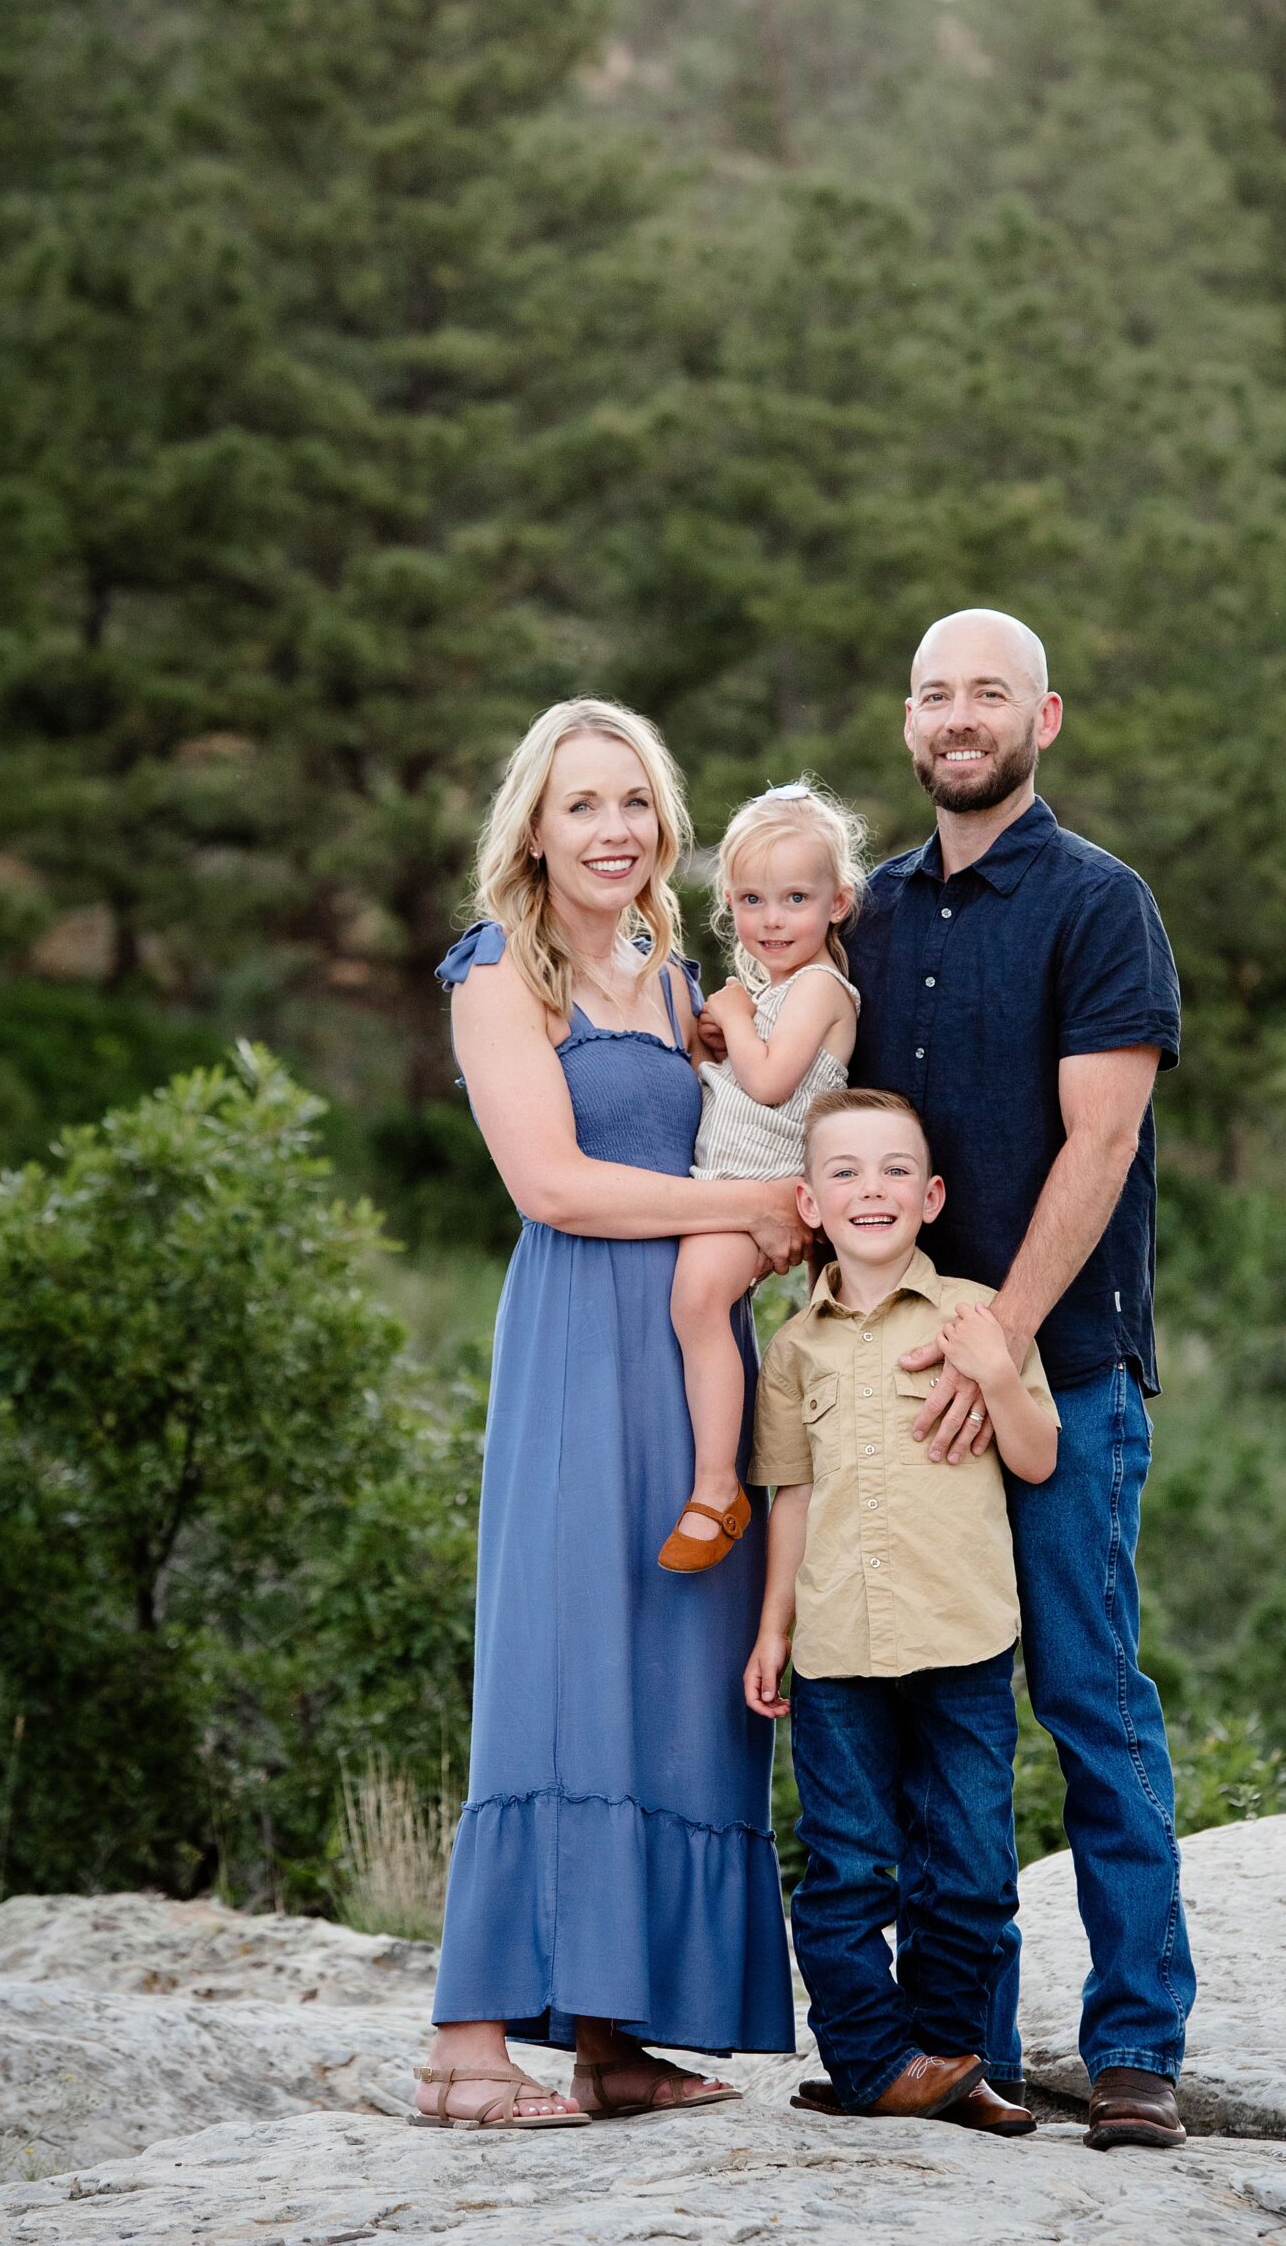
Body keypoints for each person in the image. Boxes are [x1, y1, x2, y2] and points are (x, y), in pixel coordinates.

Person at [412, 698, 800, 2134]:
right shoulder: (497, 970)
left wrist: (804, 1210)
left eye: (633, 802)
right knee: (565, 1665)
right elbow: (553, 1188)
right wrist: (745, 1207)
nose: (612, 829)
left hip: (700, 1355)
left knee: (678, 1674)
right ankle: (464, 2048)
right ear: (532, 823)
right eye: (582, 803)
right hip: (582, 1343)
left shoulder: (675, 964)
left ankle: (614, 2038)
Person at [846, 606, 1196, 2152]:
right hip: (905, 1391)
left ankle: (1133, 2049)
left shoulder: (1099, 903)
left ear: (1042, 719)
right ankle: (957, 2048)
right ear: (910, 724)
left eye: (988, 691)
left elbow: (1103, 1139)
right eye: (935, 693)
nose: (959, 715)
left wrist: (1002, 1328)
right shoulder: (871, 912)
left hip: (1058, 1369)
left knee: (1089, 1699)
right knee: (940, 1714)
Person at [744, 1088, 1057, 2136]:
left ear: (928, 1196)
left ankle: (949, 2058)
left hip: (960, 1634)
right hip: (835, 1645)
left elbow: (1036, 1455)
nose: (867, 1189)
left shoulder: (979, 1313)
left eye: (891, 1171)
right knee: (843, 1868)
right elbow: (788, 1493)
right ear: (808, 1200)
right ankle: (874, 2059)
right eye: (842, 1172)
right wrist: (772, 1627)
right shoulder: (793, 1349)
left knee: (969, 1869)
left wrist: (993, 1375)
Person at [662, 782, 864, 1573]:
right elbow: (740, 1076)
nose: (771, 919)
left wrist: (737, 1019)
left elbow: (775, 1081)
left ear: (837, 902)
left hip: (766, 1186)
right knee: (693, 1305)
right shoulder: (773, 990)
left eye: (794, 898)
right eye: (751, 899)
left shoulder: (818, 987)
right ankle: (715, 1473)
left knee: (697, 1299)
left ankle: (719, 1487)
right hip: (721, 1177)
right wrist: (719, 1039)